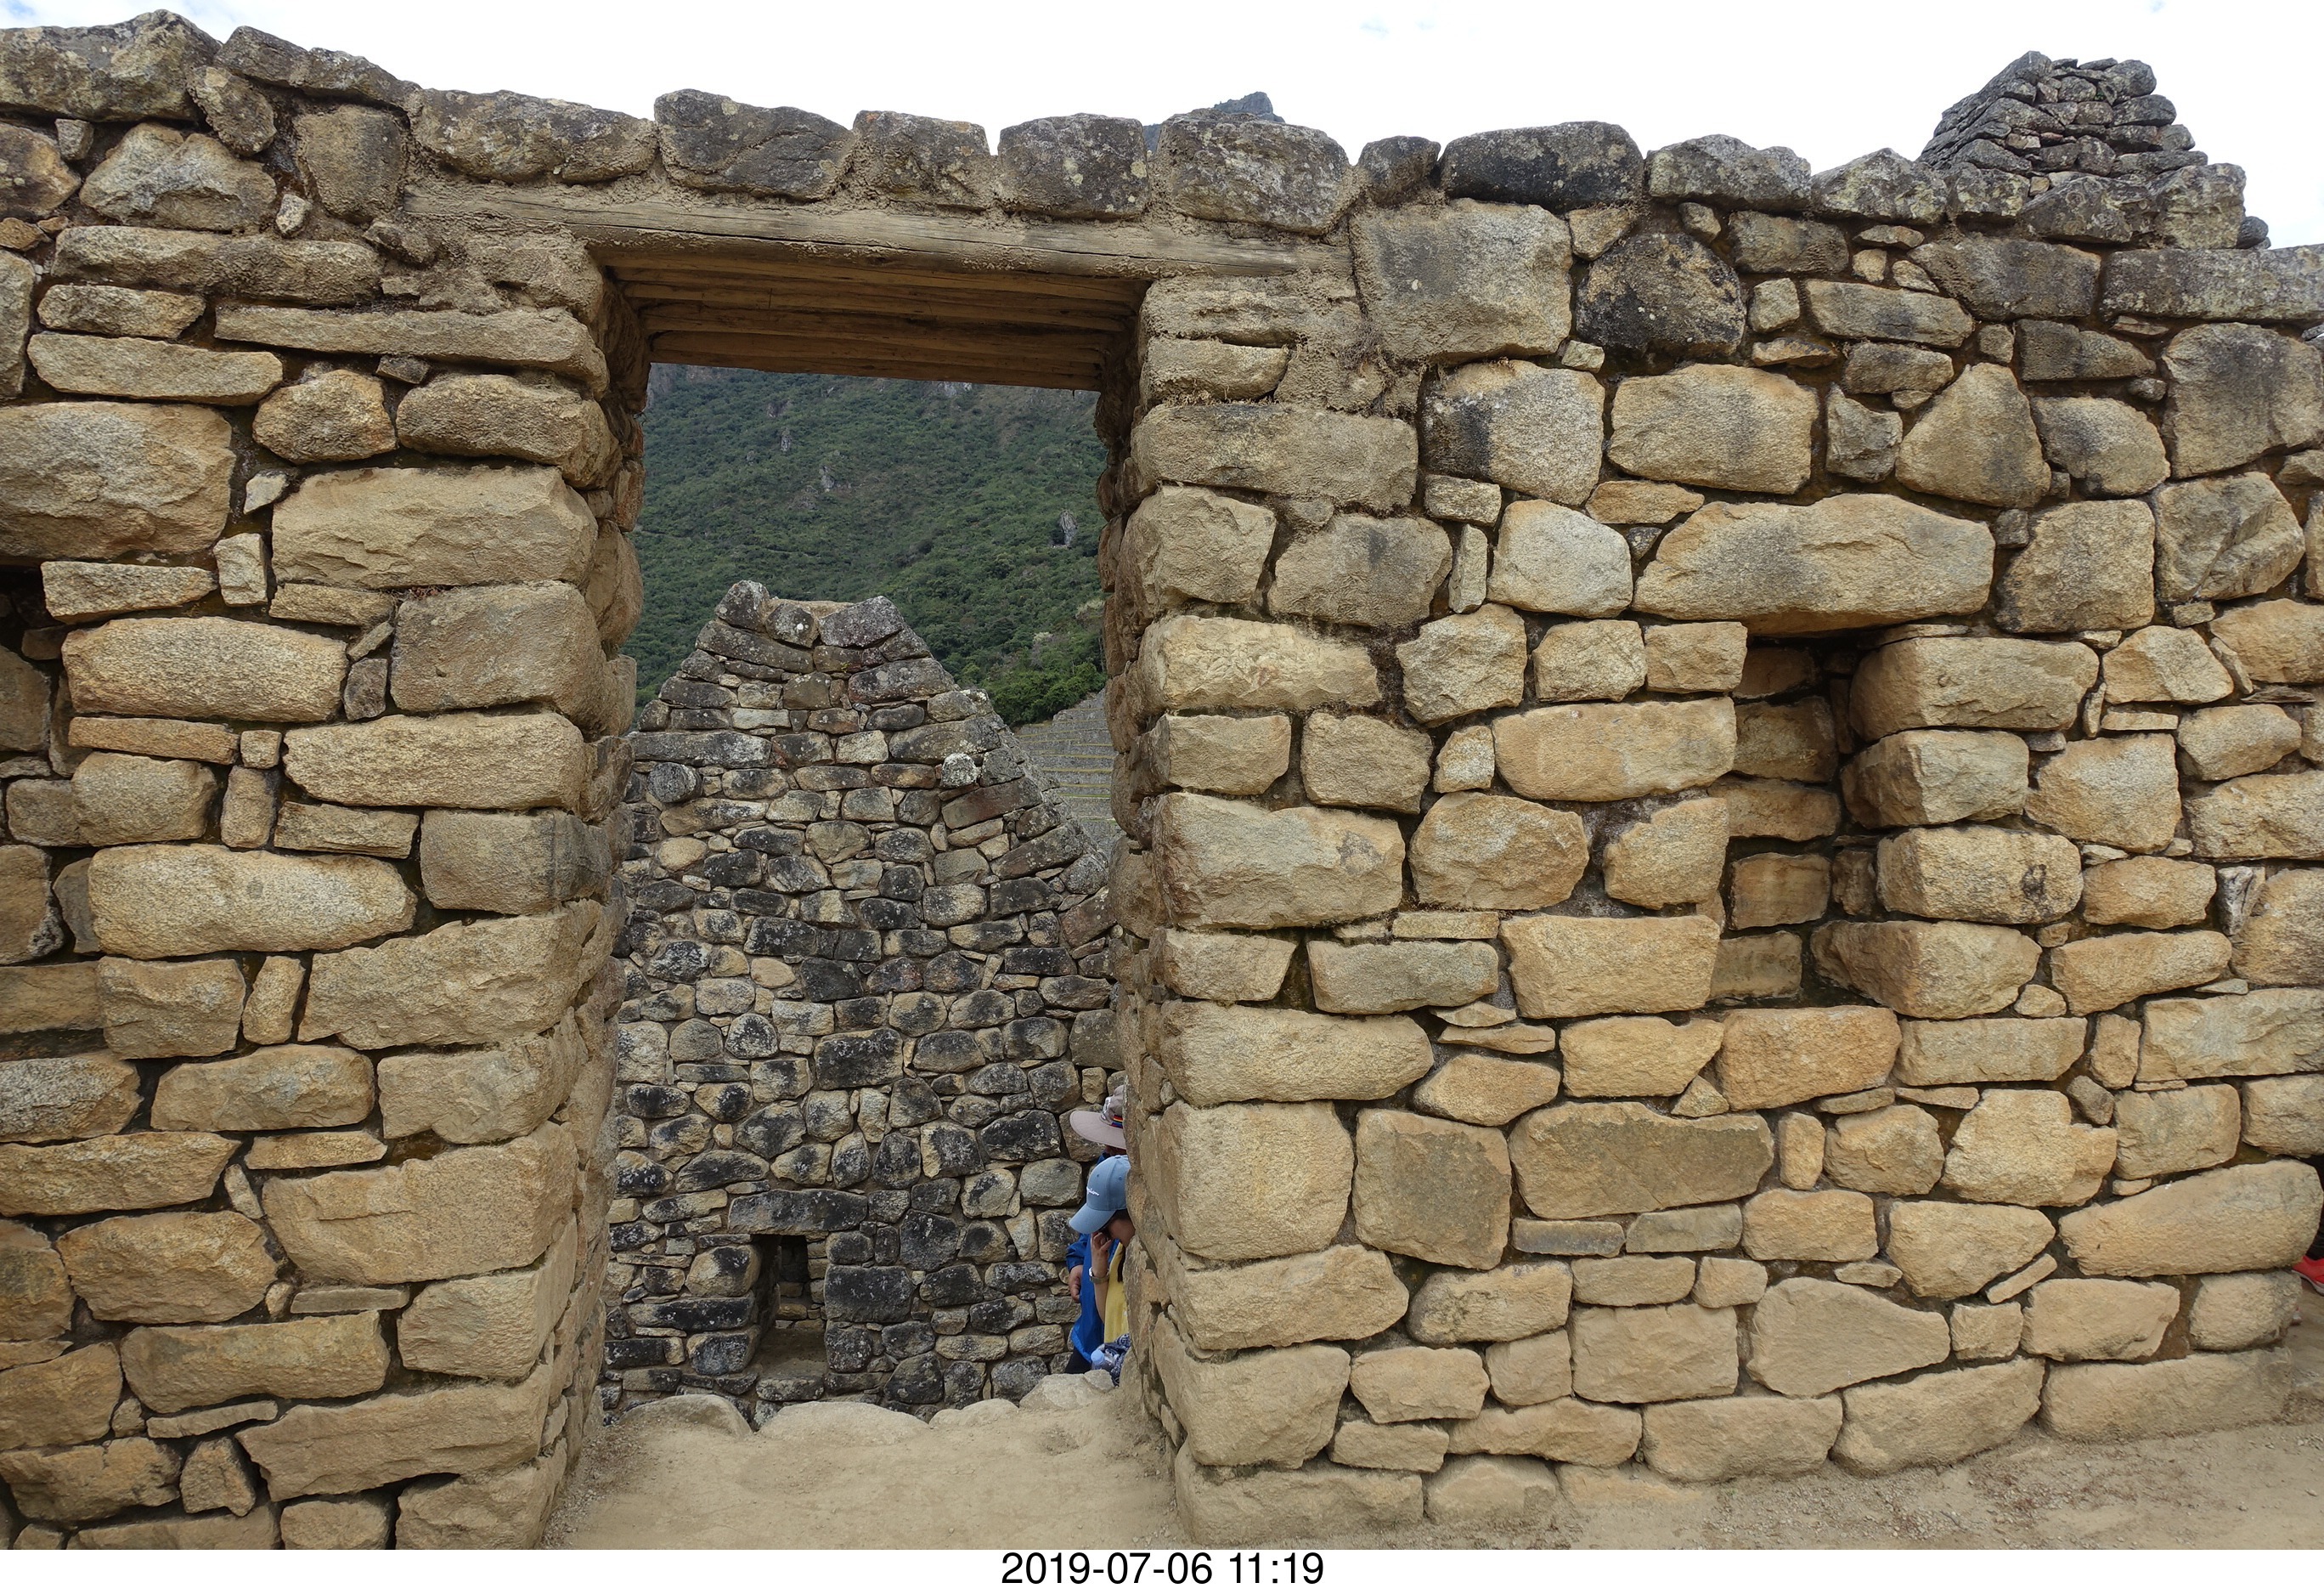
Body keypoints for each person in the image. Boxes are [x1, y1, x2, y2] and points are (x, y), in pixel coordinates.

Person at [1063, 1153, 1131, 1377]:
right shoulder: (1120, 1252)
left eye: (1104, 1225)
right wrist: (1099, 1272)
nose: (1100, 1234)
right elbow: (1109, 1320)